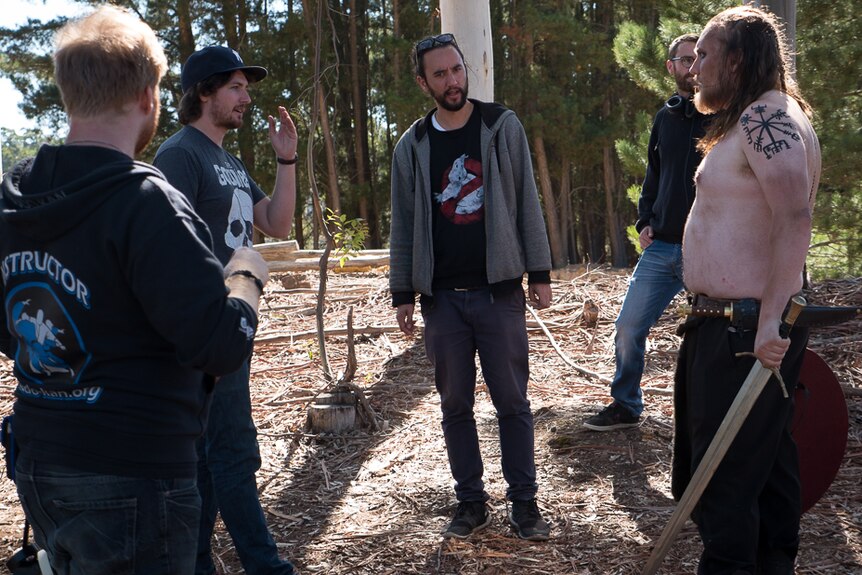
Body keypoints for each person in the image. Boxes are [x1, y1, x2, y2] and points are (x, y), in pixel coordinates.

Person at [0, 6, 270, 575]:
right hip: (134, 477)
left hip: (39, 463)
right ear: (148, 96)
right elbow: (218, 346)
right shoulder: (147, 202)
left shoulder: (12, 198)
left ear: (69, 93)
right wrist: (245, 275)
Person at [673, 6, 820, 574]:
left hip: (744, 330)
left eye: (706, 55)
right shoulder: (765, 116)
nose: (695, 68)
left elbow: (794, 216)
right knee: (763, 469)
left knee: (726, 481)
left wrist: (769, 322)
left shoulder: (767, 118)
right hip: (738, 326)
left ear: (736, 61)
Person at [389, 33, 553, 542]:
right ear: (424, 83)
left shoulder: (499, 125)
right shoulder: (412, 145)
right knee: (454, 405)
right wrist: (403, 292)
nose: (451, 80)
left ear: (466, 70)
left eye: (456, 70)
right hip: (442, 301)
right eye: (439, 74)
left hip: (498, 292)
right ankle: (470, 503)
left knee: (512, 401)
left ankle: (524, 505)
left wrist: (539, 271)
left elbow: (527, 198)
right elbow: (405, 222)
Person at [153, 45, 298, 575]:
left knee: (211, 461)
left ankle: (193, 565)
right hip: (205, 330)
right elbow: (170, 245)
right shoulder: (180, 155)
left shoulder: (229, 162)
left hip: (231, 326)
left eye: (246, 86)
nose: (246, 96)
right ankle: (267, 566)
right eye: (235, 86)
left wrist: (287, 159)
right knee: (235, 452)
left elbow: (276, 223)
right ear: (204, 92)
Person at [584, 34, 709, 431]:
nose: (692, 65)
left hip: (708, 250)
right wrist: (644, 222)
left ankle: (712, 414)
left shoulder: (726, 117)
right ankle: (626, 405)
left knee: (711, 336)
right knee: (627, 326)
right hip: (662, 248)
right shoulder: (665, 118)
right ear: (670, 67)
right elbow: (653, 176)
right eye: (684, 58)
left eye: (700, 57)